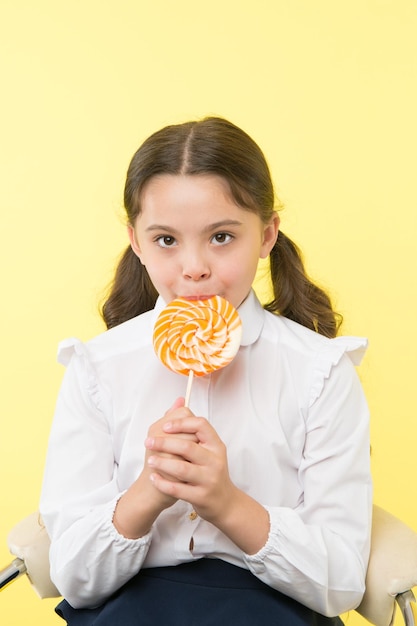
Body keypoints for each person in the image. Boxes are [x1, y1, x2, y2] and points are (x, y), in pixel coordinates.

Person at [40, 116, 372, 625]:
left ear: (266, 235)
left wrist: (226, 502)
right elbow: (76, 581)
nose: (193, 267)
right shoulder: (97, 368)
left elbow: (340, 584)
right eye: (166, 240)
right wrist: (149, 490)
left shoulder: (320, 372)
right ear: (136, 241)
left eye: (221, 236)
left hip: (272, 610)